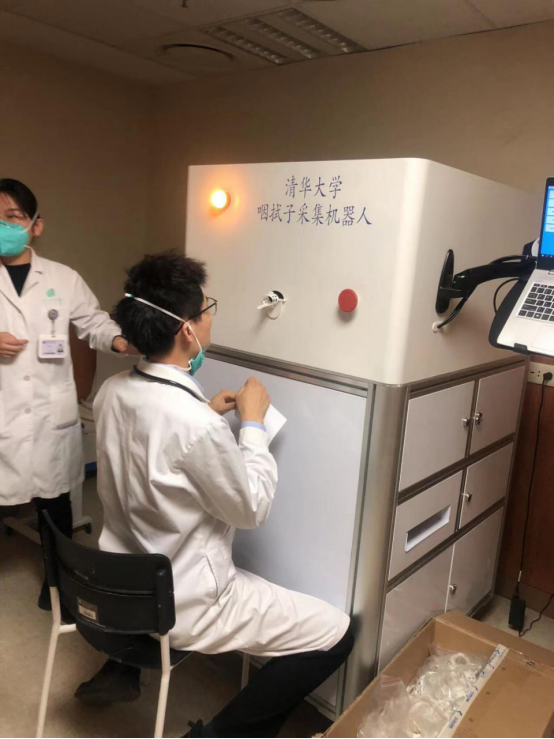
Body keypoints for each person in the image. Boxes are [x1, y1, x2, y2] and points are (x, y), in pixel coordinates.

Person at [77, 251, 354, 737]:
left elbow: (151, 457)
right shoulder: (195, 424)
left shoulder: (113, 390)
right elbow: (251, 507)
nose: (210, 317)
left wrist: (206, 413)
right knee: (337, 631)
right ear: (187, 329)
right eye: (206, 309)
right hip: (186, 602)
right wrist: (252, 425)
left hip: (123, 585)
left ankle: (129, 673)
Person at [0, 178, 133, 610]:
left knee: (55, 502)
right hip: (4, 408)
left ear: (35, 225)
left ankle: (56, 581)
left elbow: (94, 322)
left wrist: (120, 341)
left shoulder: (63, 278)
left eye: (12, 217)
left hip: (49, 414)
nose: (3, 226)